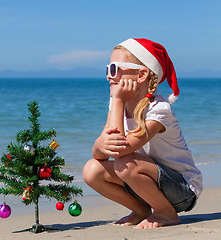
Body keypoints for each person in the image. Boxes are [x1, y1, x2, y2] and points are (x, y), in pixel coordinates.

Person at [83, 38, 202, 229]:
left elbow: (120, 151)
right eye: (107, 69)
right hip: (145, 184)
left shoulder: (158, 110)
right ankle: (141, 210)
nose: (108, 76)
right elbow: (101, 153)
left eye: (115, 69)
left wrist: (119, 101)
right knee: (91, 169)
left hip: (181, 191)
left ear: (141, 75)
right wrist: (98, 145)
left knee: (124, 163)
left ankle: (166, 213)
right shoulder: (116, 104)